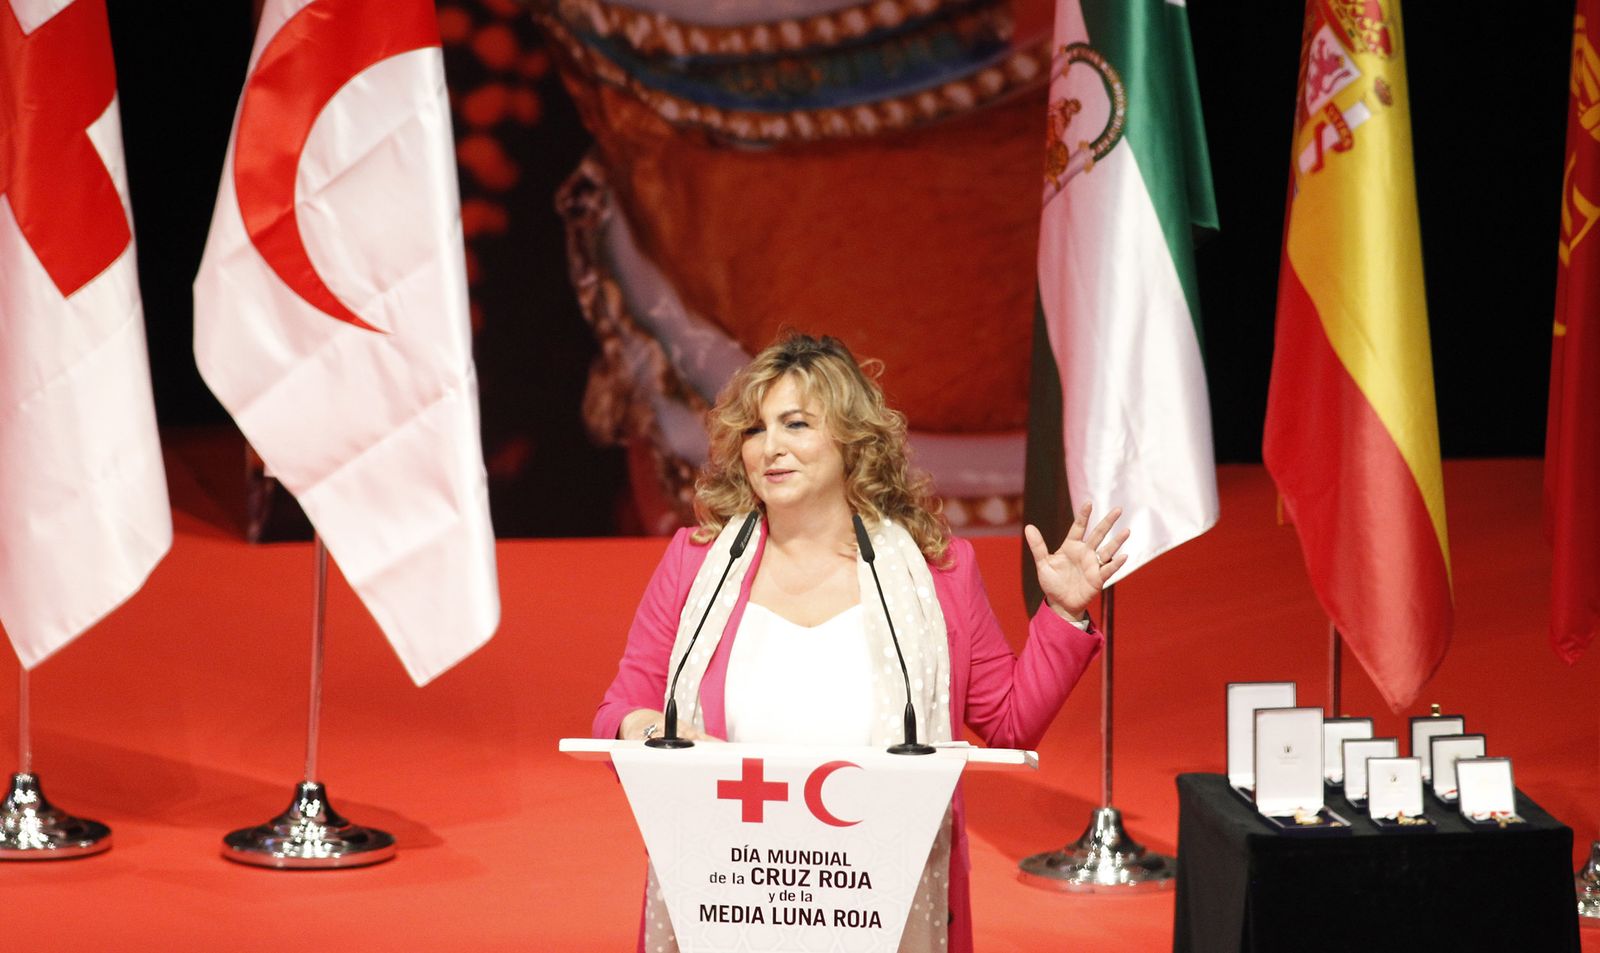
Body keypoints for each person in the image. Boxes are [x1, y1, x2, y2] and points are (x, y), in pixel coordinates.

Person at [594, 334, 1123, 953]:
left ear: (852, 439)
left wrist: (1063, 610)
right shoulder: (695, 564)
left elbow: (1009, 724)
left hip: (878, 892)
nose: (772, 447)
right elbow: (618, 713)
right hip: (725, 885)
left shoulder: (937, 572)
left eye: (796, 424)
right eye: (757, 429)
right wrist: (647, 733)